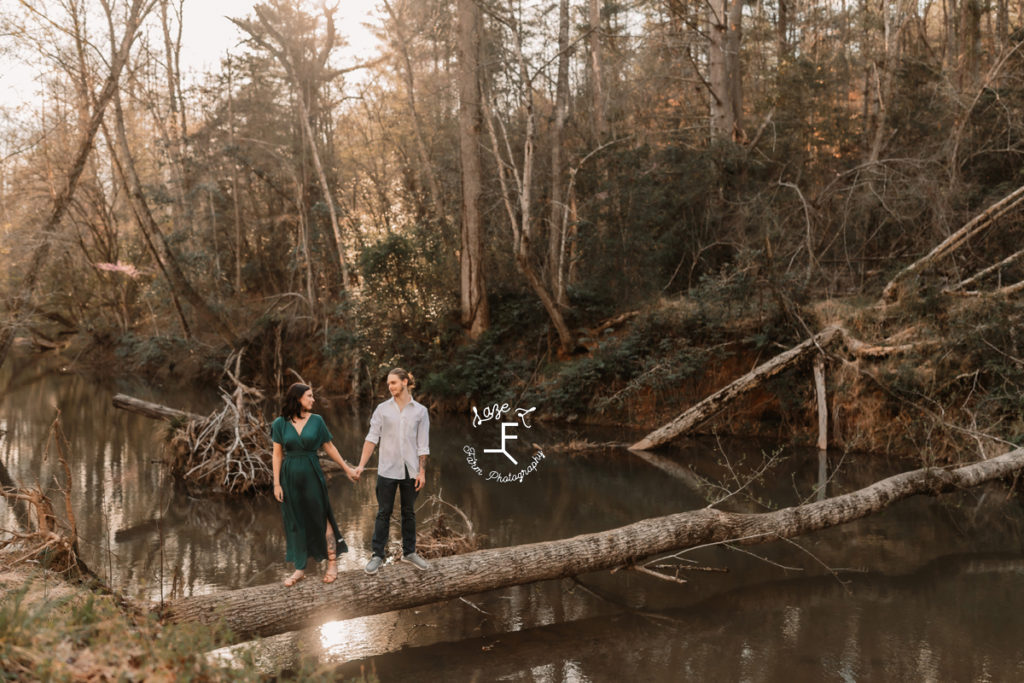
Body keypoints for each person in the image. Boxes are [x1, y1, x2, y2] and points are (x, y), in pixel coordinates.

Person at [272, 382, 359, 587]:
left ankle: (332, 563)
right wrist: (276, 483)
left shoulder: (317, 421)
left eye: (313, 396)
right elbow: (277, 455)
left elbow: (329, 447)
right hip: (289, 476)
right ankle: (300, 568)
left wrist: (347, 469)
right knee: (296, 520)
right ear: (297, 398)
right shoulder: (279, 423)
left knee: (322, 516)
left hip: (312, 474)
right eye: (309, 396)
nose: (313, 400)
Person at [356, 368, 431, 574]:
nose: (390, 387)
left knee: (409, 513)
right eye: (388, 384)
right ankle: (377, 555)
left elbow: (423, 445)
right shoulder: (382, 409)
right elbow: (371, 438)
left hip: (411, 471)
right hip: (387, 470)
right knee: (383, 513)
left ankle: (410, 553)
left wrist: (422, 472)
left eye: (393, 383)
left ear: (405, 382)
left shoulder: (420, 411)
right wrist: (361, 465)